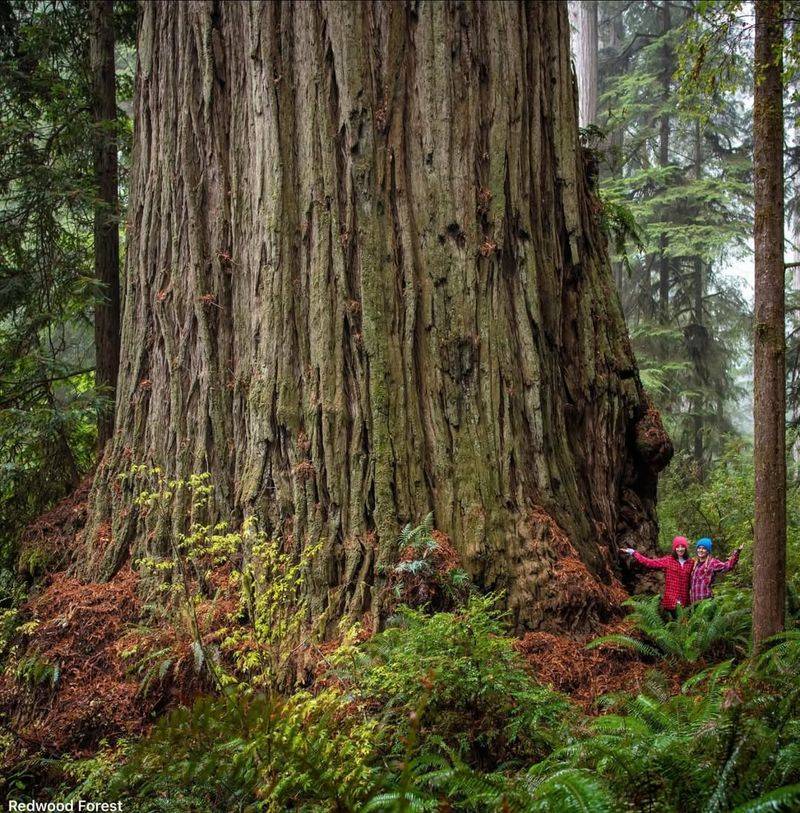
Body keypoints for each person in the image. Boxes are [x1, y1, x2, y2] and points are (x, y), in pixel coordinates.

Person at [621, 536, 694, 613]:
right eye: (677, 547)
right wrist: (633, 553)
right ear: (674, 548)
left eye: (682, 546)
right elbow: (649, 562)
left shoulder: (691, 563)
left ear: (686, 548)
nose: (680, 549)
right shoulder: (669, 560)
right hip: (671, 601)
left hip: (685, 602)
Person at [689, 537, 741, 604]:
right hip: (694, 602)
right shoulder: (695, 564)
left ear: (708, 551)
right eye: (699, 548)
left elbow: (728, 566)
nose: (701, 550)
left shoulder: (712, 562)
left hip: (706, 602)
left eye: (704, 548)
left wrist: (737, 553)